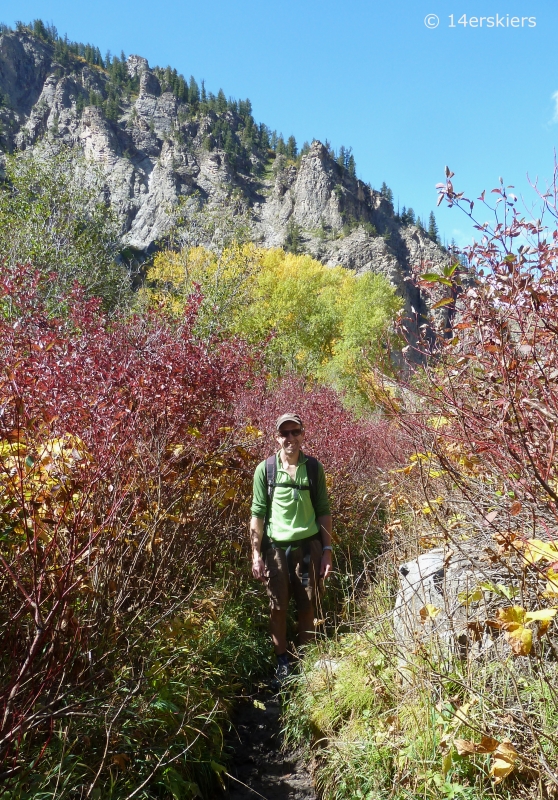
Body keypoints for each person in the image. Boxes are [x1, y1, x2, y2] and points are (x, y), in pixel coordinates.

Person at [250, 413, 332, 684]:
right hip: (275, 549)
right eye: (284, 433)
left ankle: (307, 659)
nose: (290, 438)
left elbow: (324, 511)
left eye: (295, 432)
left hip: (309, 546)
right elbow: (258, 514)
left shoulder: (313, 468)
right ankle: (282, 661)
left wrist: (328, 550)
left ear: (303, 434)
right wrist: (256, 555)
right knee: (278, 606)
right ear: (277, 437)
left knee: (308, 605)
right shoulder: (266, 469)